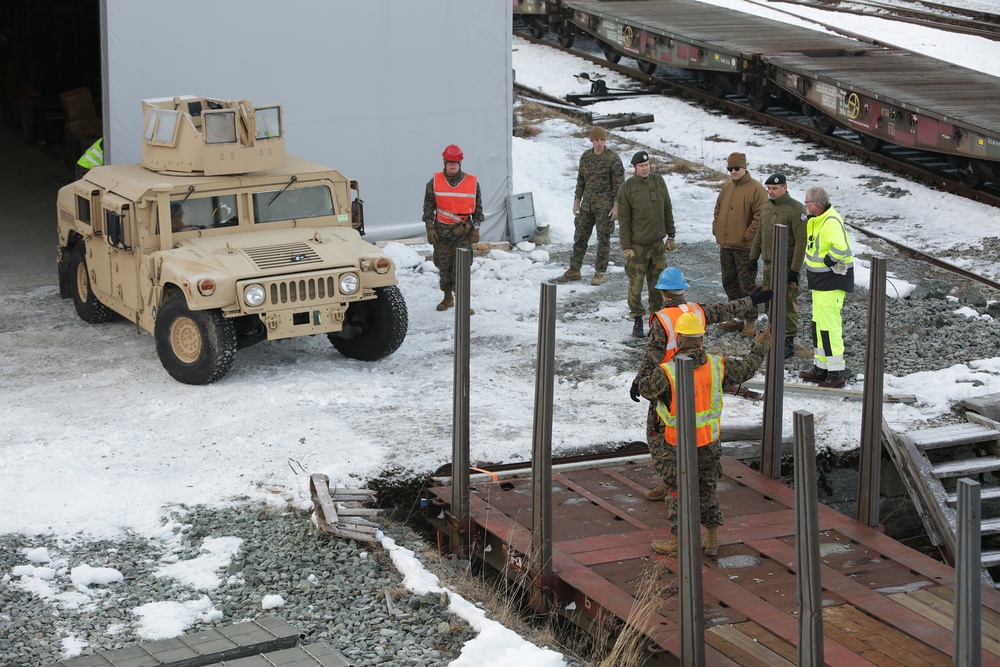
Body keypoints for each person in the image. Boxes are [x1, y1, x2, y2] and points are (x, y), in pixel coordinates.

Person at [630, 266, 772, 501]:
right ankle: (691, 484)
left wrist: (639, 382)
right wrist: (752, 299)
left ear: (663, 293)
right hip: (699, 376)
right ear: (683, 290)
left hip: (668, 382)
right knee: (697, 431)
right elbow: (726, 310)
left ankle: (670, 482)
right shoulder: (696, 311)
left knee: (658, 436)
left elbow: (652, 355)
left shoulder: (662, 319)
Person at [636, 312, 771, 557]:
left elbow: (646, 389)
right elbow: (746, 369)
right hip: (708, 442)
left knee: (676, 490)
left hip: (677, 445)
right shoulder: (717, 366)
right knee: (707, 488)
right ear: (701, 339)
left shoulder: (668, 372)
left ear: (677, 339)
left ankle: (678, 540)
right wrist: (760, 347)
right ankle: (711, 539)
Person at [747, 174, 808, 359]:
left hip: (786, 264)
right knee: (769, 300)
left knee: (788, 302)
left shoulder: (796, 209)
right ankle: (772, 334)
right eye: (769, 189)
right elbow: (760, 233)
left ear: (784, 187)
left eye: (774, 188)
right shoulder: (766, 206)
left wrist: (795, 270)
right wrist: (753, 256)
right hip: (768, 264)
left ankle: (788, 340)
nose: (771, 192)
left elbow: (801, 241)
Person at [799, 186, 855, 388]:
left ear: (815, 204)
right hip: (820, 282)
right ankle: (821, 368)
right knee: (818, 325)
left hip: (831, 281)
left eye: (806, 203)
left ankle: (836, 373)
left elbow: (841, 249)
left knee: (829, 327)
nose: (805, 206)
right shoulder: (817, 219)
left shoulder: (830, 222)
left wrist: (829, 263)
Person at [617, 150, 676, 338]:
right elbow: (624, 220)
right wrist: (626, 247)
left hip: (657, 244)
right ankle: (637, 318)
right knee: (636, 284)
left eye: (647, 164)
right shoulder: (627, 188)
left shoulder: (658, 181)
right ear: (635, 168)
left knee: (659, 284)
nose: (645, 168)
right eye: (641, 166)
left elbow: (667, 208)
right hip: (638, 246)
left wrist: (671, 235)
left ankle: (657, 319)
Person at [557, 126, 625, 286]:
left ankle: (600, 272)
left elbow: (619, 186)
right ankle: (574, 269)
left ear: (605, 141)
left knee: (603, 239)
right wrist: (576, 201)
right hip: (587, 205)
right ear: (592, 140)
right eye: (596, 140)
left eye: (602, 140)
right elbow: (581, 180)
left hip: (605, 207)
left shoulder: (613, 159)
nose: (599, 143)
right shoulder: (586, 157)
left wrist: (616, 206)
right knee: (580, 236)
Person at [423, 144, 484, 313]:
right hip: (441, 234)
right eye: (449, 162)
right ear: (444, 162)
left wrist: (476, 228)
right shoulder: (434, 182)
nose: (452, 165)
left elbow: (478, 210)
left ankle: (463, 302)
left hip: (462, 234)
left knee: (462, 268)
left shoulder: (472, 183)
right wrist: (429, 227)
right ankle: (447, 297)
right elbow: (428, 206)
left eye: (455, 163)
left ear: (460, 164)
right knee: (444, 266)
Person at [712, 152, 767, 337]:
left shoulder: (756, 189)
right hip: (726, 244)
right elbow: (718, 208)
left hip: (745, 248)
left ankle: (751, 319)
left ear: (744, 167)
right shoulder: (727, 186)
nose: (733, 172)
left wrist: (747, 235)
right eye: (730, 169)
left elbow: (761, 215)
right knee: (729, 281)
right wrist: (716, 228)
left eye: (736, 168)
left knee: (747, 285)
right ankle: (736, 317)